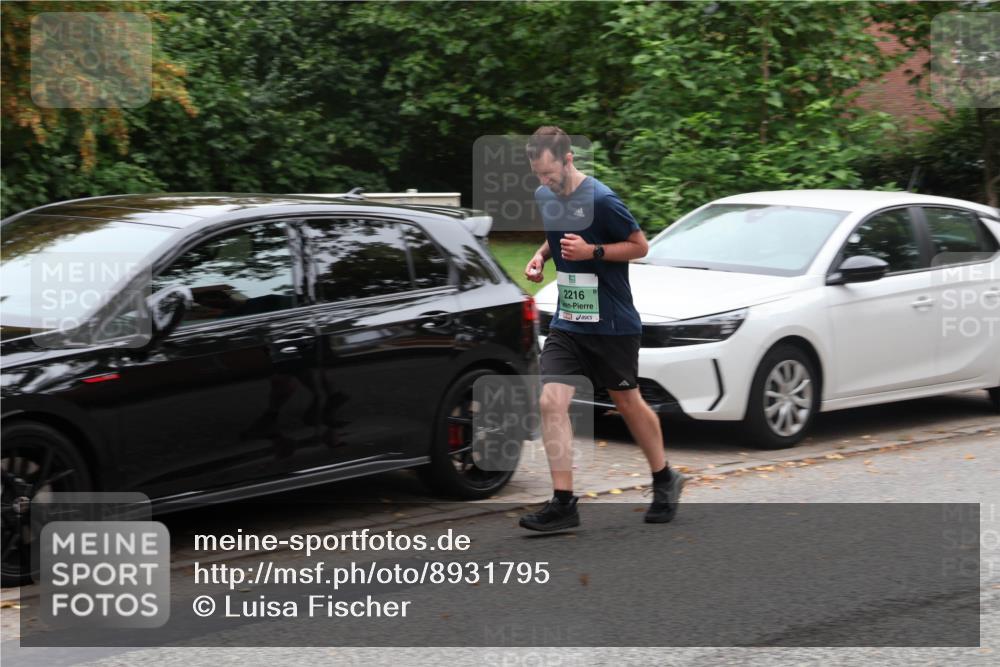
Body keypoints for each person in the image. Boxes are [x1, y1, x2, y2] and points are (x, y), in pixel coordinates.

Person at [518, 126, 686, 531]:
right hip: (569, 320)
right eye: (538, 175)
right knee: (550, 402)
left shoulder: (602, 200)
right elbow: (556, 236)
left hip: (611, 322)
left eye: (550, 174)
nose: (545, 183)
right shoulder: (546, 196)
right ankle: (564, 503)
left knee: (627, 402)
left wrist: (593, 252)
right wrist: (542, 256)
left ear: (568, 159)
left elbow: (640, 246)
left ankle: (665, 477)